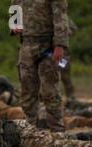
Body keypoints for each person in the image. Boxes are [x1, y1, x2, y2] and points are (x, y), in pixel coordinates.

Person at [11, 0, 69, 132]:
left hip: (48, 44)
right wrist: (14, 25)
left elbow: (60, 17)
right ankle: (29, 130)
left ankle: (57, 130)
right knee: (27, 89)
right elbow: (15, 6)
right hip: (26, 43)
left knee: (50, 90)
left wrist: (60, 45)